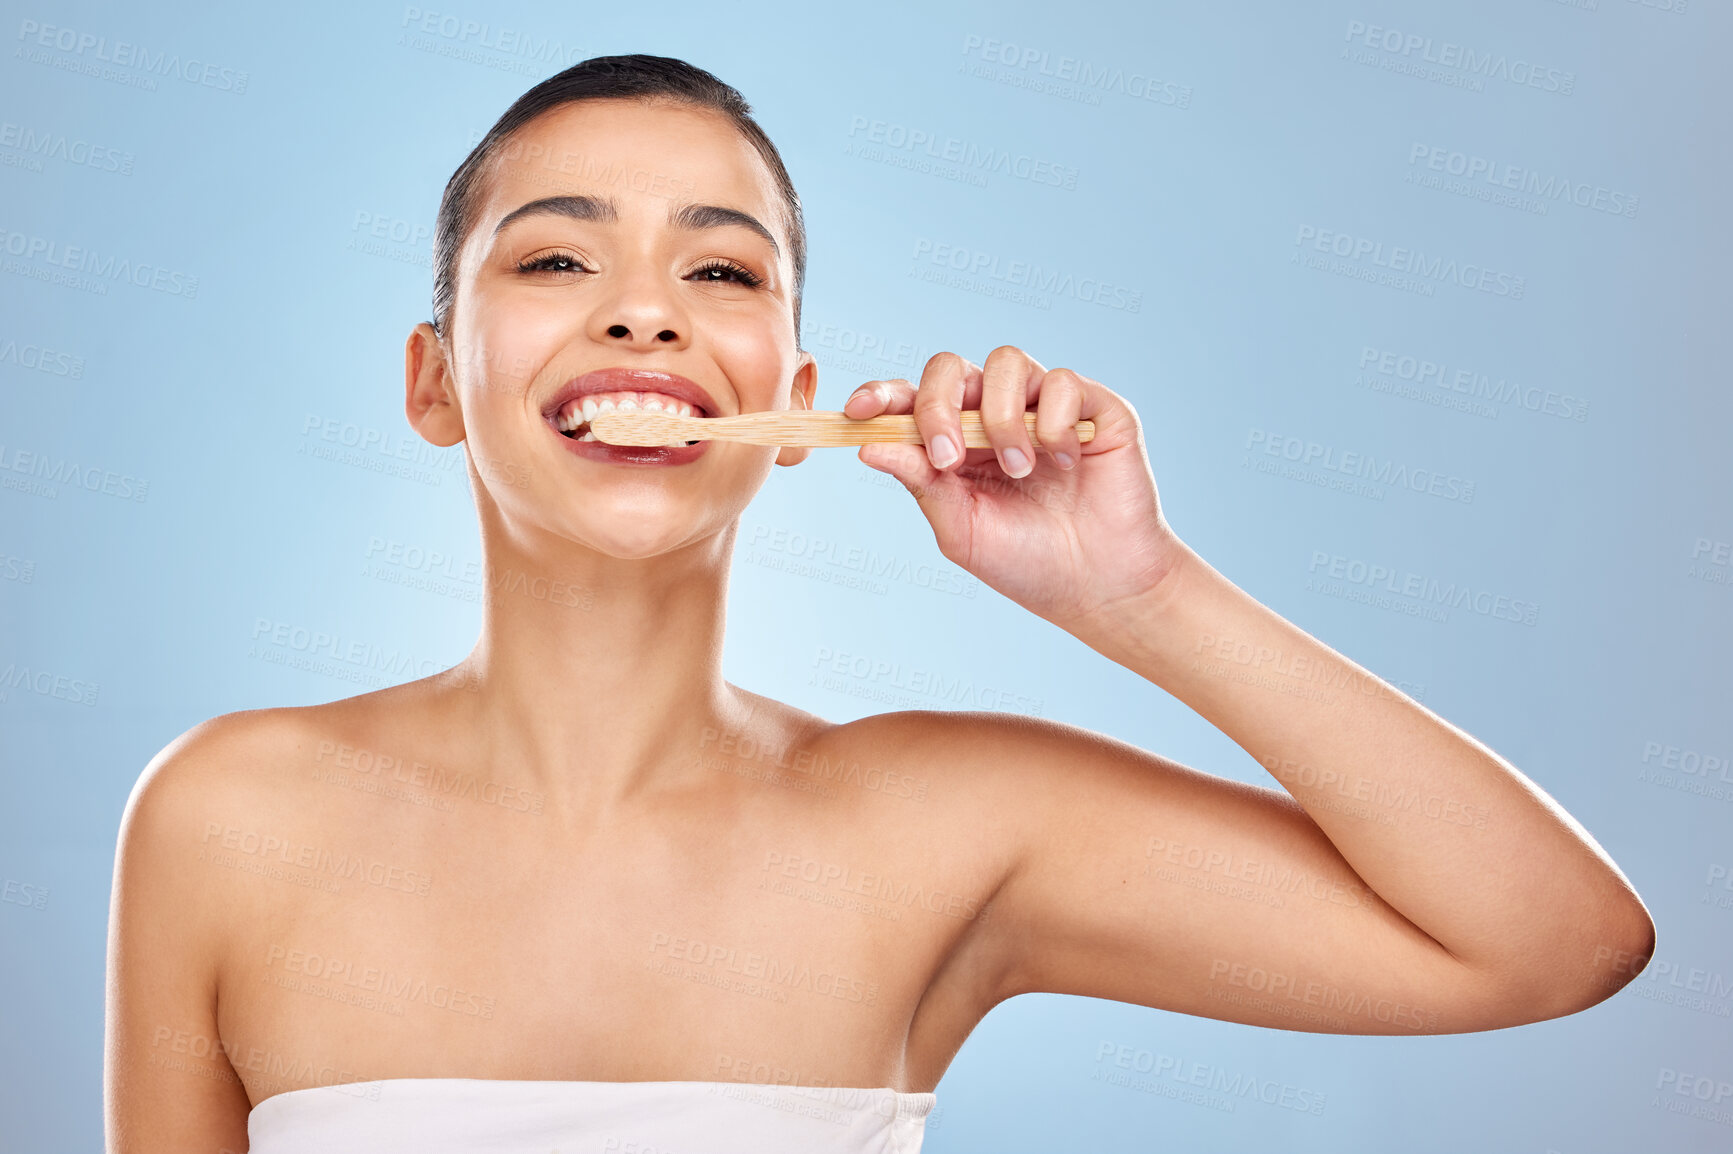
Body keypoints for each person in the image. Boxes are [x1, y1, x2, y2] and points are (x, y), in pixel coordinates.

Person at [102, 54, 1655, 1153]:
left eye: (718, 273)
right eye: (557, 255)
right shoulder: (228, 815)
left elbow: (1546, 945)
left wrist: (1136, 592)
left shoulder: (945, 821)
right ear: (436, 383)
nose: (642, 305)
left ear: (788, 398)